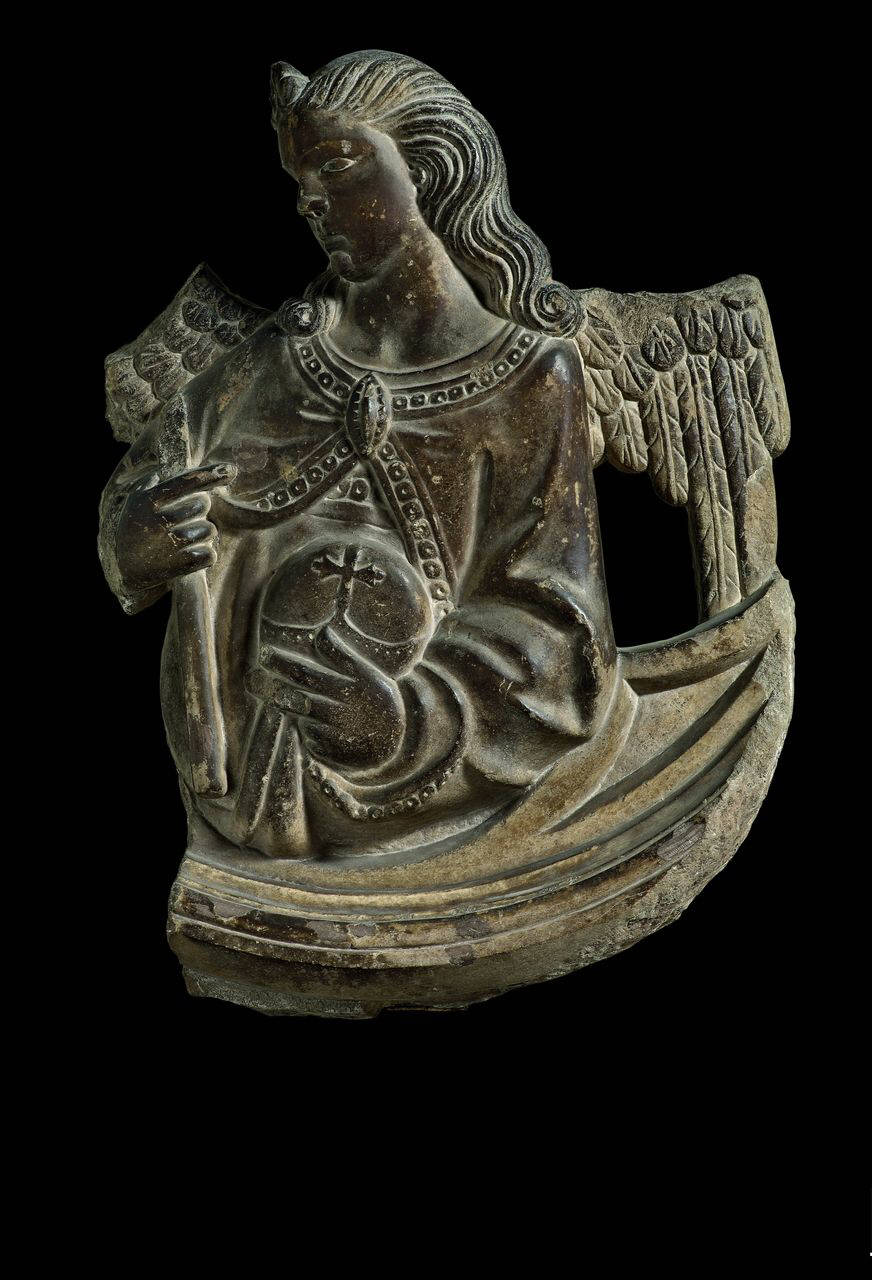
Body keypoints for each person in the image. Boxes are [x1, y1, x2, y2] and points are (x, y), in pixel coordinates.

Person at [99, 51, 616, 861]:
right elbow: (149, 488)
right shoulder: (271, 365)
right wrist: (138, 541)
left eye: (337, 166)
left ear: (432, 169)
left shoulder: (528, 378)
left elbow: (559, 634)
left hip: (430, 787)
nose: (308, 200)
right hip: (251, 788)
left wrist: (402, 721)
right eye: (300, 179)